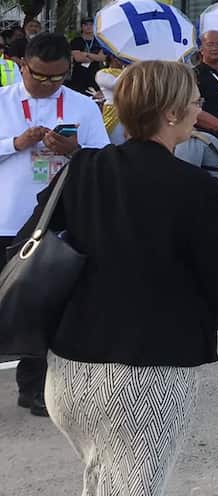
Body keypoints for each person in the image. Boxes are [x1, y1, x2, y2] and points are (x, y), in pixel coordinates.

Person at [20, 60, 218, 489]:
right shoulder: (193, 185)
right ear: (169, 113)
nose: (197, 109)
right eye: (194, 102)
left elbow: (33, 236)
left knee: (100, 477)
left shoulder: (82, 169)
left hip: (70, 370)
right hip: (145, 375)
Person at [0, 32, 111, 417]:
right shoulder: (3, 102)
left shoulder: (83, 106)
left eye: (58, 77)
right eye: (39, 76)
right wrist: (15, 143)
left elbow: (103, 159)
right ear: (23, 65)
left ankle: (33, 390)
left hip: (52, 221)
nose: (47, 84)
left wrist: (75, 150)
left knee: (42, 308)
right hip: (6, 217)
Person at [68, 17, 107, 95]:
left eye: (91, 25)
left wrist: (86, 54)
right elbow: (78, 58)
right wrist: (95, 57)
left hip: (95, 74)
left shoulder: (99, 41)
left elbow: (102, 58)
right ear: (82, 27)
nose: (89, 27)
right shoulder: (76, 41)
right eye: (86, 25)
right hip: (79, 74)